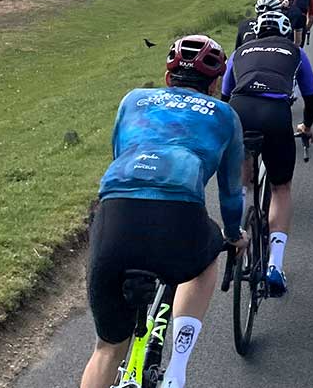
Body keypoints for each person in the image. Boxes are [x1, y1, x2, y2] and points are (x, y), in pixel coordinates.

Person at [82, 35, 247, 388]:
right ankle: (177, 371)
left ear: (168, 77)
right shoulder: (225, 115)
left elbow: (118, 154)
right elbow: (232, 193)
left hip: (116, 214)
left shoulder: (133, 100)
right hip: (179, 217)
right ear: (216, 83)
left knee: (107, 347)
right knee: (206, 258)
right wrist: (234, 238)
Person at [221, 11, 313, 297]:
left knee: (242, 180)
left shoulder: (240, 50)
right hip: (275, 113)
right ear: (286, 33)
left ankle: (235, 235)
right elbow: (311, 97)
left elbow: (225, 96)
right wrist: (306, 126)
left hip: (240, 109)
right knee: (281, 188)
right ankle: (275, 265)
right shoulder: (296, 51)